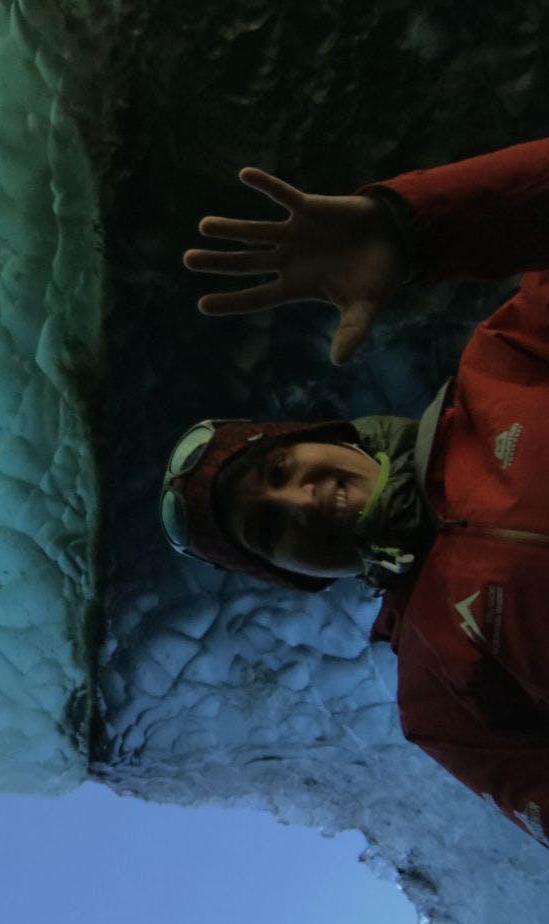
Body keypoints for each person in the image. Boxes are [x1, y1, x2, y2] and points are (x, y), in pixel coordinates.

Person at [158, 139, 549, 846]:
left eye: (278, 473)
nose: (303, 503)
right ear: (298, 579)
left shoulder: (505, 366)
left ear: (332, 437)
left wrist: (417, 228)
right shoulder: (438, 698)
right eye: (272, 532)